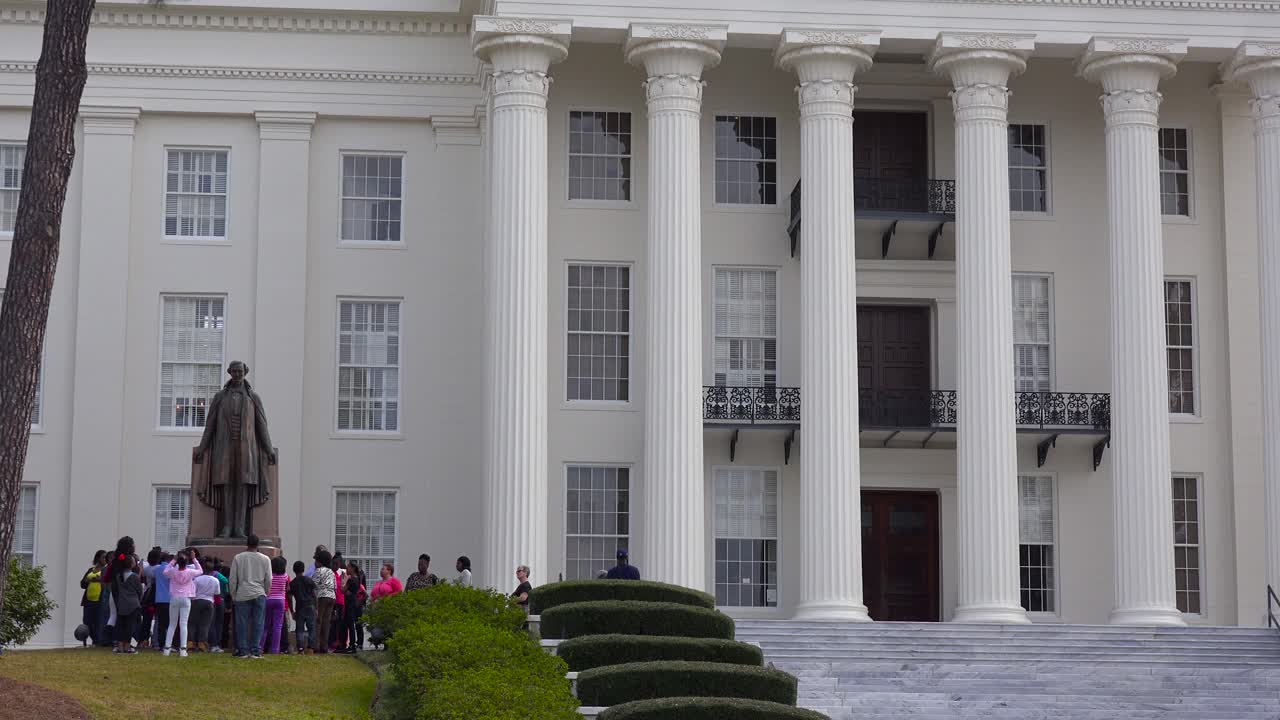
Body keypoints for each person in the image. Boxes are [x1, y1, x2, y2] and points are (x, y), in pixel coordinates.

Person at [192, 360, 277, 538]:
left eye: (240, 371)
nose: (238, 374)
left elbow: (262, 425)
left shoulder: (253, 397)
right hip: (225, 447)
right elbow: (210, 424)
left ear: (245, 372)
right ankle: (227, 526)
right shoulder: (220, 397)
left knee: (243, 487)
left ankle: (239, 527)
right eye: (234, 371)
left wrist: (269, 449)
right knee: (227, 486)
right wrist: (202, 446)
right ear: (230, 372)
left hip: (247, 449)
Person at [229, 534, 272, 658]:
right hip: (259, 592)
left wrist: (233, 594)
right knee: (258, 623)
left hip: (242, 593)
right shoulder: (265, 559)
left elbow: (233, 579)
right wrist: (266, 592)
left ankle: (243, 650)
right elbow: (268, 579)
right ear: (258, 544)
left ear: (247, 544)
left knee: (242, 623)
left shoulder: (238, 558)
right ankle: (255, 650)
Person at [163, 550, 202, 657]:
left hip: (174, 598)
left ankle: (167, 648)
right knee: (183, 624)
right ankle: (183, 649)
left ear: (178, 562)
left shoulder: (173, 571)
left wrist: (173, 561)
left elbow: (165, 572)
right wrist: (194, 559)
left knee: (172, 624)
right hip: (186, 598)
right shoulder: (190, 572)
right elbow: (200, 570)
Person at [111, 556, 143, 654]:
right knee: (130, 626)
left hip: (121, 602)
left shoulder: (118, 576)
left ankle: (120, 646)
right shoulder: (135, 576)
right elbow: (139, 591)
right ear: (132, 564)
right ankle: (127, 646)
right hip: (133, 603)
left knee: (121, 625)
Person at [289, 560, 317, 655]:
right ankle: (310, 648)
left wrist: (292, 610)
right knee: (311, 628)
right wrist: (316, 607)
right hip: (310, 606)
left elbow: (289, 597)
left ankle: (300, 648)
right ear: (303, 569)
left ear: (294, 570)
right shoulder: (309, 580)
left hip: (300, 607)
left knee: (299, 629)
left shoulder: (292, 583)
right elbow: (314, 595)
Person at [190, 564, 219, 653]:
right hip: (209, 602)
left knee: (192, 623)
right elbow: (217, 593)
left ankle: (190, 643)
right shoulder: (215, 580)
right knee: (205, 624)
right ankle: (202, 644)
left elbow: (192, 591)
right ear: (211, 571)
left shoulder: (197, 579)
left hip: (197, 601)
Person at [312, 550, 336, 654]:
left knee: (318, 621)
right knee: (326, 622)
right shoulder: (331, 572)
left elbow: (313, 585)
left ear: (320, 562)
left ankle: (316, 645)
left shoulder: (319, 570)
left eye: (315, 560)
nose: (314, 563)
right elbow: (335, 586)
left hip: (322, 596)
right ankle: (324, 646)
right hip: (332, 597)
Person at [79, 551, 106, 647]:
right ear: (98, 558)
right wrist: (88, 580)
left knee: (99, 622)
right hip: (88, 601)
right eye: (103, 557)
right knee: (87, 622)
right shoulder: (91, 570)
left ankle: (98, 642)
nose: (105, 559)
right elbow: (82, 584)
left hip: (100, 600)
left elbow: (107, 582)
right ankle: (92, 640)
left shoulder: (106, 570)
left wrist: (99, 580)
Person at [264, 555, 289, 654]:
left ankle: (260, 647)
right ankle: (275, 649)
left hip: (268, 599)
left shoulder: (269, 575)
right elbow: (287, 588)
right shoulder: (285, 576)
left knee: (265, 625)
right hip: (280, 601)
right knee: (278, 626)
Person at [343, 561, 367, 654]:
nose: (346, 569)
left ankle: (352, 644)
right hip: (357, 604)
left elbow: (343, 590)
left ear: (353, 569)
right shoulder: (358, 580)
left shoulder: (351, 580)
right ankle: (359, 643)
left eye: (348, 567)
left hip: (351, 604)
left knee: (351, 624)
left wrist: (344, 580)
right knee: (358, 624)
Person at [330, 554, 347, 652]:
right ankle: (333, 642)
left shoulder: (342, 574)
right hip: (333, 601)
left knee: (340, 623)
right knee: (333, 623)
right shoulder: (331, 574)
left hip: (341, 602)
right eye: (334, 563)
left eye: (337, 564)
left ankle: (340, 643)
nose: (335, 566)